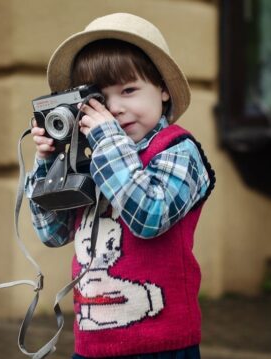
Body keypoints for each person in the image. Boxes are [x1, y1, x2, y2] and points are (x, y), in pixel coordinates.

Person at [25, 13, 215, 359]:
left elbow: (149, 217)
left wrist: (106, 141)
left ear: (163, 90)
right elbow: (51, 233)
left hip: (161, 345)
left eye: (129, 90)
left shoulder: (178, 150)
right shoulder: (93, 155)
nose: (115, 109)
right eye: (99, 99)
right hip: (92, 345)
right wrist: (49, 164)